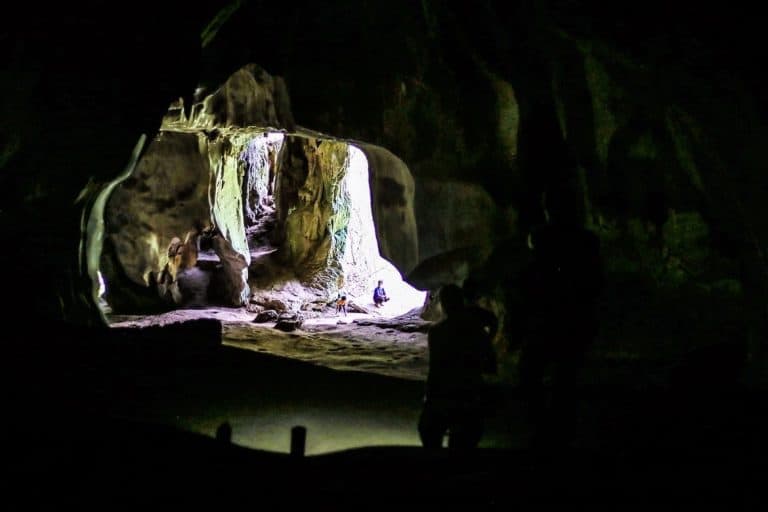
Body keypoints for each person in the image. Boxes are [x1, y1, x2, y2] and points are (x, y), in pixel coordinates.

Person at [418, 284, 498, 450]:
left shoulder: (437, 332)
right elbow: (490, 366)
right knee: (463, 447)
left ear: (444, 305)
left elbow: (435, 370)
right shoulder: (478, 332)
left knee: (430, 436)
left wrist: (428, 398)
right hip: (469, 395)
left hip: (442, 395)